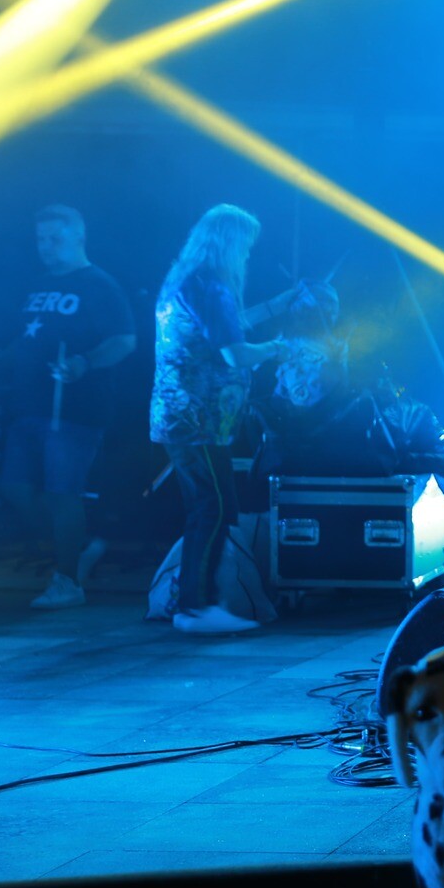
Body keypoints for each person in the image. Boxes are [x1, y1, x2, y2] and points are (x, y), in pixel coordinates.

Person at [0, 205, 136, 609]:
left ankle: (68, 583)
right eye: (41, 239)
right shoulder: (39, 284)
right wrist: (1, 359)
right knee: (14, 489)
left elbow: (124, 340)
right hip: (29, 406)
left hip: (75, 409)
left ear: (79, 238)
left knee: (62, 493)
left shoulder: (100, 285)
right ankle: (78, 550)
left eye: (55, 239)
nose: (45, 247)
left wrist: (84, 362)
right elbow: (29, 338)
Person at [149, 204, 291, 634]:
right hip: (200, 419)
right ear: (229, 243)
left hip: (182, 415)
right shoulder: (211, 287)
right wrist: (275, 349)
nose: (246, 256)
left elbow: (223, 329)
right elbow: (235, 352)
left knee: (208, 507)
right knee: (212, 508)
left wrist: (273, 308)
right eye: (245, 247)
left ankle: (196, 603)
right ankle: (195, 608)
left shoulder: (186, 281)